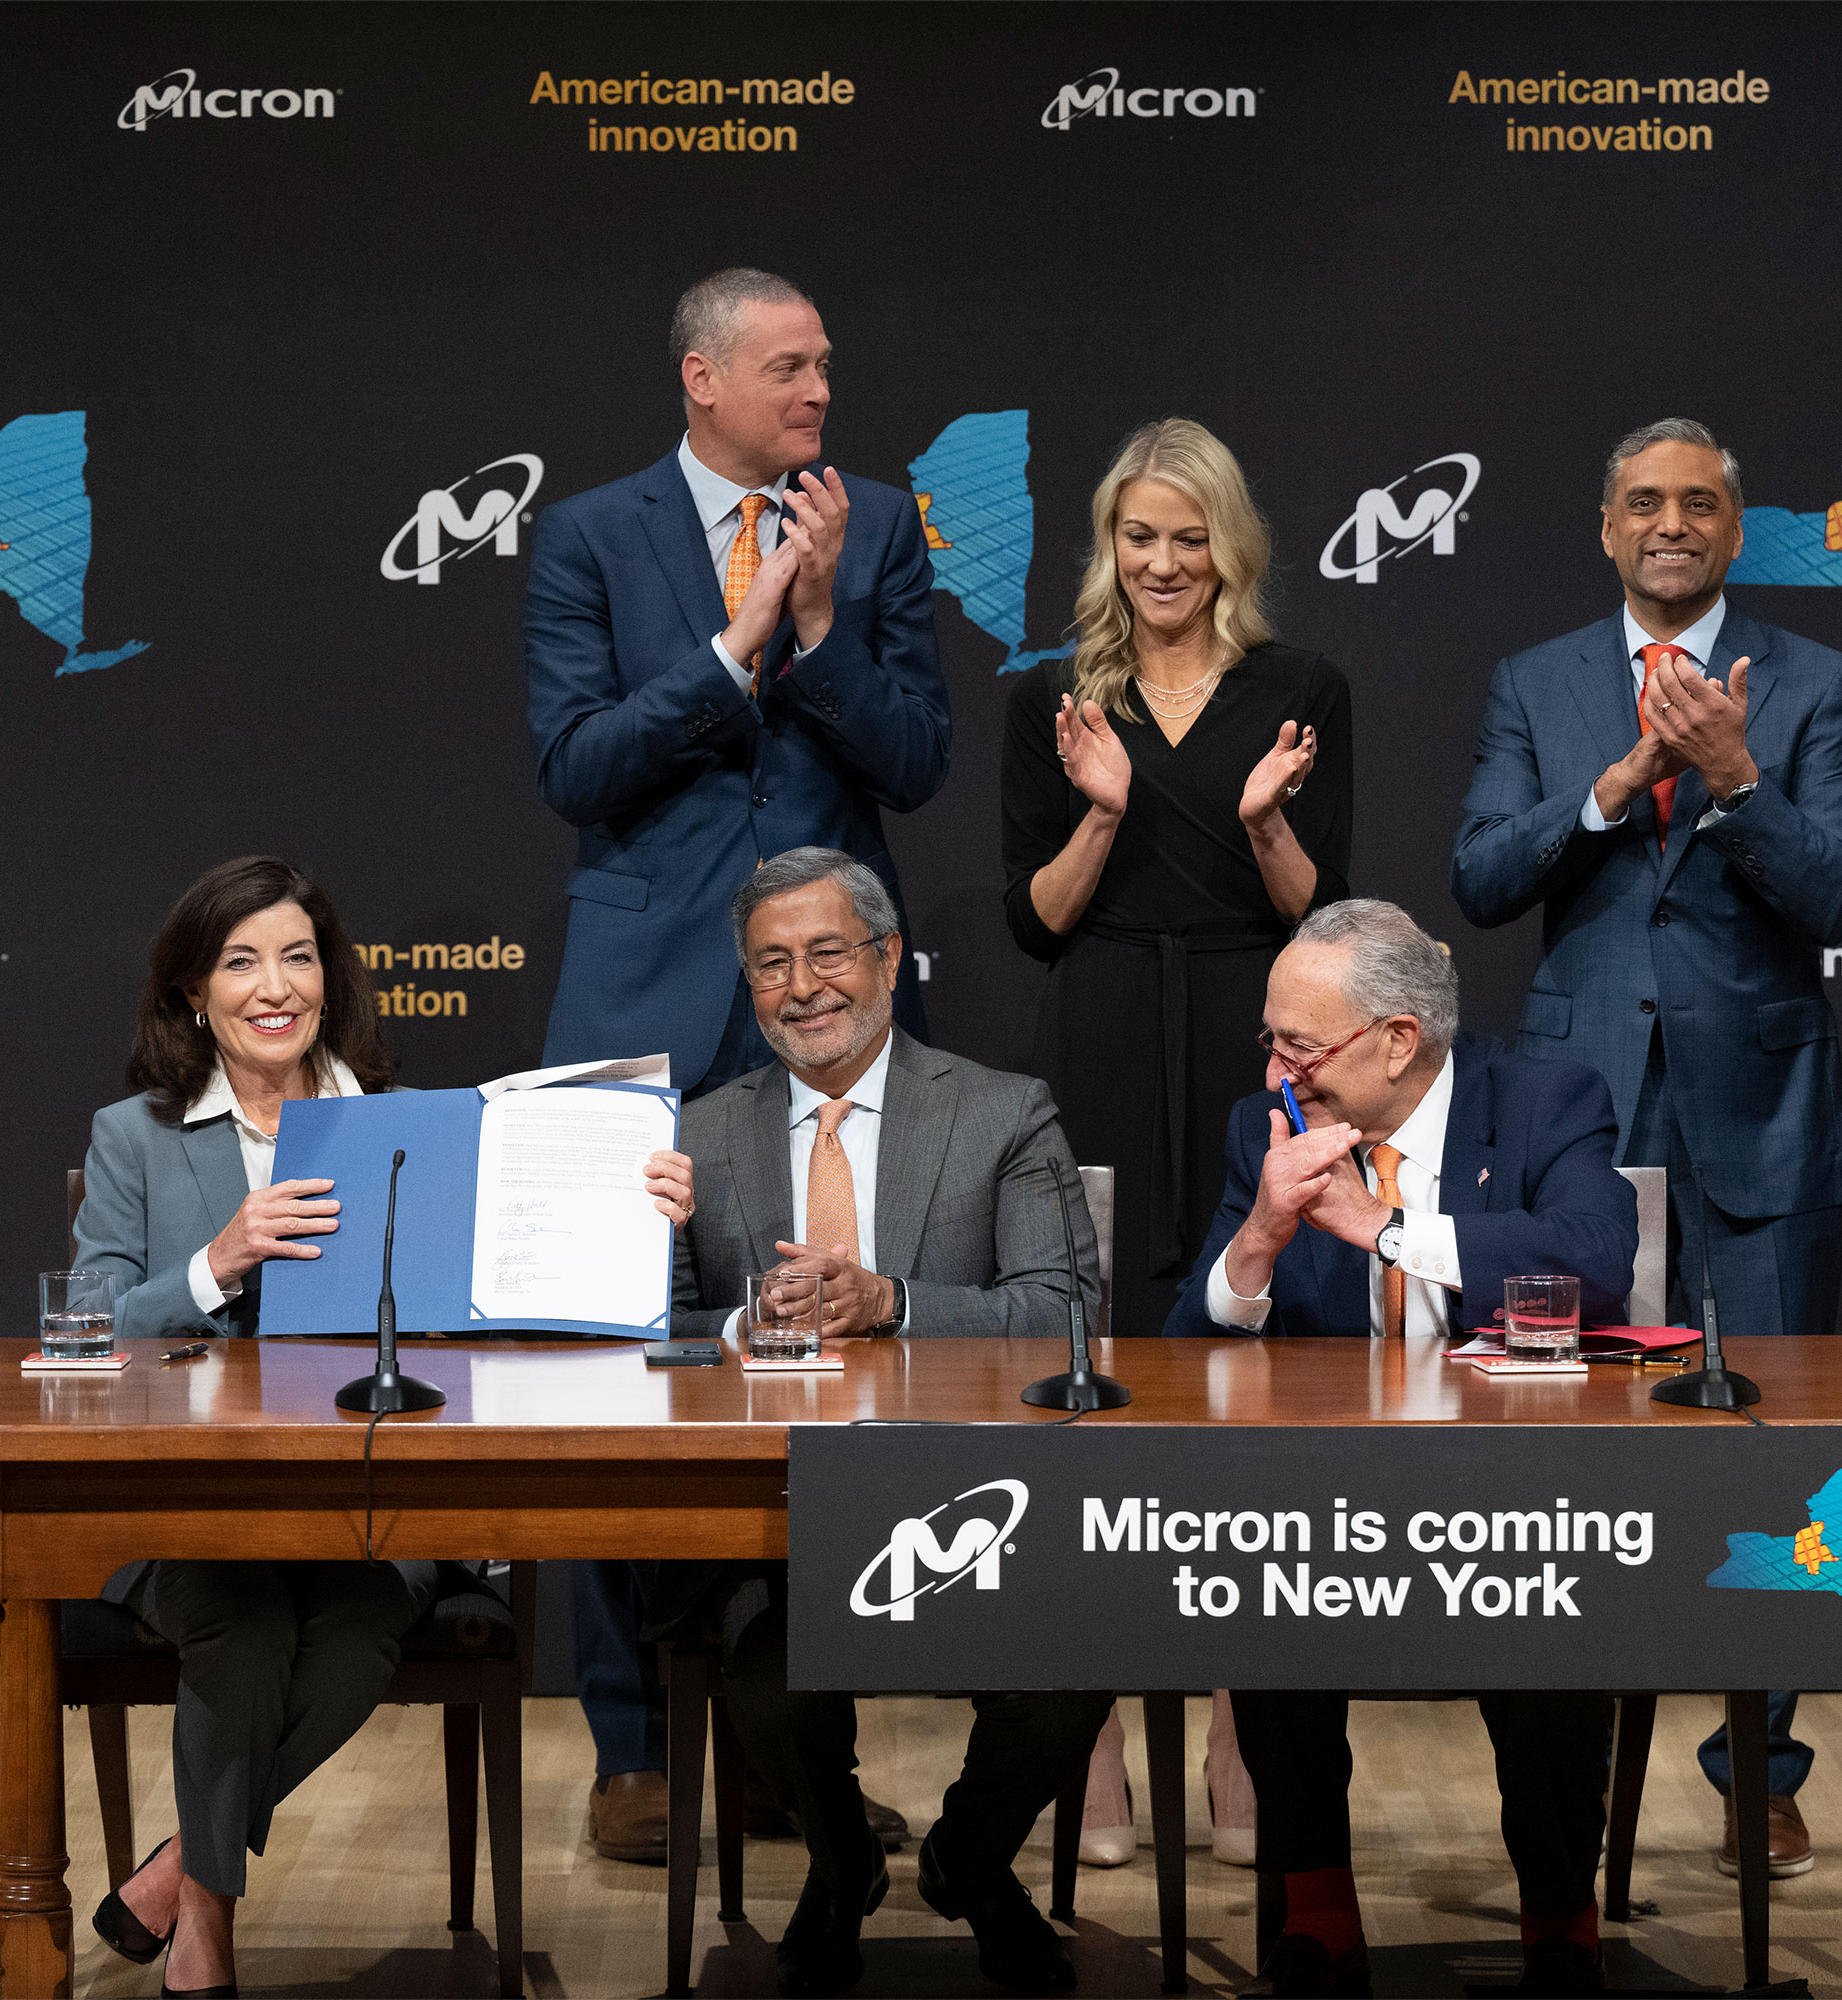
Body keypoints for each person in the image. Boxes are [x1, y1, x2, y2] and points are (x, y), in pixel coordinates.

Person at [70, 856, 697, 1996]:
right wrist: (218, 1260)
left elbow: (515, 1305)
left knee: (359, 1635)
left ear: (331, 977)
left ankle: (182, 1876)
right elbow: (91, 1323)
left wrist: (633, 1214)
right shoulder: (136, 1136)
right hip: (198, 1503)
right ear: (193, 992)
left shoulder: (417, 1128)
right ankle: (205, 1925)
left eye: (298, 957)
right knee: (243, 1634)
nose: (275, 987)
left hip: (375, 1499)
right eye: (241, 961)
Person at [526, 265, 949, 1856]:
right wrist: (737, 642)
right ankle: (635, 1750)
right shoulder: (590, 535)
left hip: (826, 991)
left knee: (820, 1368)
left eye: (826, 366)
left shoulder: (879, 525)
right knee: (616, 1372)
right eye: (788, 368)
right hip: (640, 993)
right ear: (702, 379)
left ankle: (790, 1750)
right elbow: (576, 766)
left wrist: (823, 627)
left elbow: (916, 758)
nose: (819, 392)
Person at [1449, 417, 1842, 1884]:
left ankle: (1760, 1768)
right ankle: (1566, 1769)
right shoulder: (1537, 681)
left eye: (1699, 503)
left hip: (1763, 1112)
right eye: (1644, 501)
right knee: (1569, 1441)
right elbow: (1480, 876)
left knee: (1776, 1453)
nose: (1672, 523)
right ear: (1607, 526)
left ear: (1737, 530)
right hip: (1580, 1113)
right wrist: (1612, 788)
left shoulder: (1819, 680)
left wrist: (1742, 780)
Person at [657, 845, 1108, 1997]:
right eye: (771, 963)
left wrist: (892, 1302)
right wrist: (737, 1325)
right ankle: (842, 1857)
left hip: (980, 1501)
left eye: (827, 952)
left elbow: (1064, 1307)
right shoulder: (697, 1133)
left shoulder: (1002, 1109)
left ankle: (970, 1856)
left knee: (1073, 1672)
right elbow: (646, 1326)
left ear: (890, 957)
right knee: (770, 1675)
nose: (802, 985)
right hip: (783, 1513)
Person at [1164, 901, 1636, 1997]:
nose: (1277, 1070)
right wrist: (1259, 1237)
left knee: (1559, 1609)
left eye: (1300, 1047)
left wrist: (1384, 1229)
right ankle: (1319, 1918)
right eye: (1271, 1041)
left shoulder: (1545, 1102)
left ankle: (1560, 1920)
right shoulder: (1266, 1124)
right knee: (1263, 1581)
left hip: (1510, 1490)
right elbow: (1191, 1349)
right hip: (1327, 1497)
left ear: (1398, 1040)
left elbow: (1597, 1261)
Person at [1002, 417, 1352, 1340]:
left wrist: (1264, 822)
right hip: (1102, 1025)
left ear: (1227, 547)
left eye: (1190, 540)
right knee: (1095, 1289)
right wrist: (1102, 814)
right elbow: (1033, 924)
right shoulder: (1055, 697)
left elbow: (1320, 914)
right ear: (1110, 545)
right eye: (1140, 537)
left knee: (1263, 1273)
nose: (1163, 565)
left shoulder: (1301, 691)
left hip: (1254, 1026)